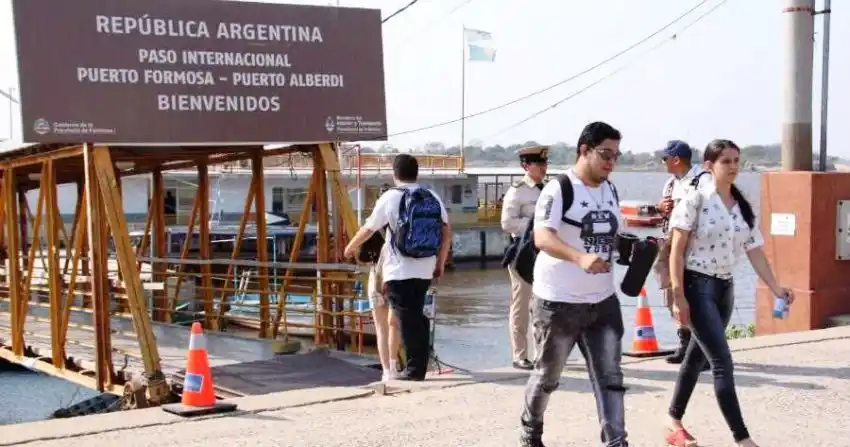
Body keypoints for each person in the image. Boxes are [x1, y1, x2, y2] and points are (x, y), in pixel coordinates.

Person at [664, 139, 793, 447]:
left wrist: (777, 288)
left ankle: (672, 419)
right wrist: (678, 295)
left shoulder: (741, 206)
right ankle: (743, 438)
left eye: (737, 160)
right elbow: (676, 252)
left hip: (725, 288)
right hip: (697, 286)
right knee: (722, 362)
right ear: (709, 166)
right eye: (726, 161)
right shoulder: (695, 200)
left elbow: (754, 251)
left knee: (696, 356)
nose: (734, 166)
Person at [520, 121, 629, 447]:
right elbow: (542, 237)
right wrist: (579, 257)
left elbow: (612, 235)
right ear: (584, 150)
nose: (611, 162)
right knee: (547, 376)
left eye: (616, 155)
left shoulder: (610, 190)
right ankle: (530, 431)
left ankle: (616, 442)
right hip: (558, 302)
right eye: (605, 154)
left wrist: (638, 247)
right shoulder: (560, 189)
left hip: (603, 301)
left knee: (611, 378)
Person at [344, 154, 451, 381]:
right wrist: (440, 262)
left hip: (399, 270)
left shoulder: (391, 197)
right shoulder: (431, 196)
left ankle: (414, 371)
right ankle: (418, 366)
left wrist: (350, 247)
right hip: (425, 267)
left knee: (408, 320)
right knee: (415, 316)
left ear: (395, 174)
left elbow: (369, 228)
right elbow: (446, 232)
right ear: (416, 173)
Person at [653, 140, 709, 367]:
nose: (662, 162)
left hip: (694, 249)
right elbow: (666, 217)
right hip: (670, 246)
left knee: (695, 298)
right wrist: (661, 209)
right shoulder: (670, 184)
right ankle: (685, 343)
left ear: (676, 159)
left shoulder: (702, 181)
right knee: (672, 295)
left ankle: (703, 349)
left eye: (664, 158)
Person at [500, 145, 549, 370]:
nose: (543, 167)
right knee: (521, 305)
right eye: (539, 163)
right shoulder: (517, 191)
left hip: (544, 253)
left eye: (545, 163)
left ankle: (542, 352)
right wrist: (533, 227)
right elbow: (507, 223)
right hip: (522, 253)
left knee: (543, 304)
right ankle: (520, 355)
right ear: (526, 166)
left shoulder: (547, 189)